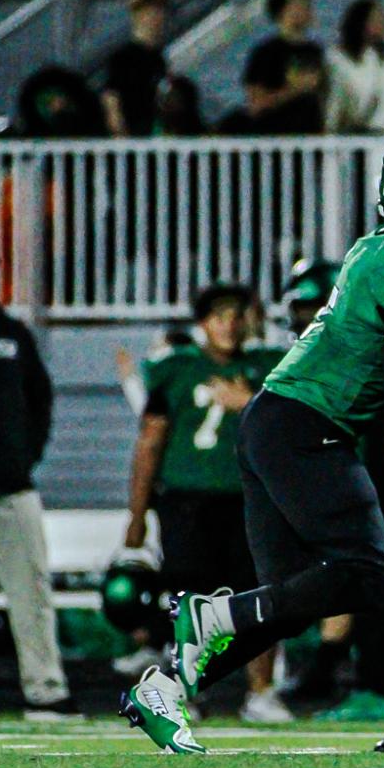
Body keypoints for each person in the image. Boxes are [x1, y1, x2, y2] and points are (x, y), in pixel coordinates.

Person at [119, 132, 384, 754]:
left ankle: (166, 686)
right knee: (371, 576)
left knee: (286, 601)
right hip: (305, 429)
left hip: (281, 422)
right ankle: (211, 619)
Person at [124, 282, 289, 726]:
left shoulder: (269, 369)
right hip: (187, 501)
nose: (230, 325)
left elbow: (296, 424)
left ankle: (261, 691)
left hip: (252, 498)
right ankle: (186, 692)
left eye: (237, 315)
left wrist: (250, 403)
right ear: (202, 324)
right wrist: (136, 513)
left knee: (259, 598)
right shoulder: (176, 369)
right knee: (190, 599)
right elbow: (150, 442)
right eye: (220, 316)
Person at [0, 299, 78, 717]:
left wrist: (23, 457)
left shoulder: (13, 334)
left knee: (31, 593)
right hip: (12, 482)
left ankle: (45, 689)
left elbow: (40, 400)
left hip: (11, 488)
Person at [229, 0, 326, 134]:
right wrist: (296, 89)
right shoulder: (265, 52)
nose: (304, 9)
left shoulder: (315, 51)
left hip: (310, 138)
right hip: (276, 137)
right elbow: (256, 104)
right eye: (297, 4)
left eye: (306, 4)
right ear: (281, 10)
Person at [100, 0, 170, 138]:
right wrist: (121, 136)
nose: (156, 16)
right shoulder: (123, 57)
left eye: (159, 10)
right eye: (150, 11)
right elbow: (111, 97)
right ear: (137, 15)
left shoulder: (158, 58)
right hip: (131, 139)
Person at [324, 0, 384, 134]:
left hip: (378, 135)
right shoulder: (337, 57)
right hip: (344, 135)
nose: (381, 24)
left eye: (382, 19)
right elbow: (335, 98)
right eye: (375, 19)